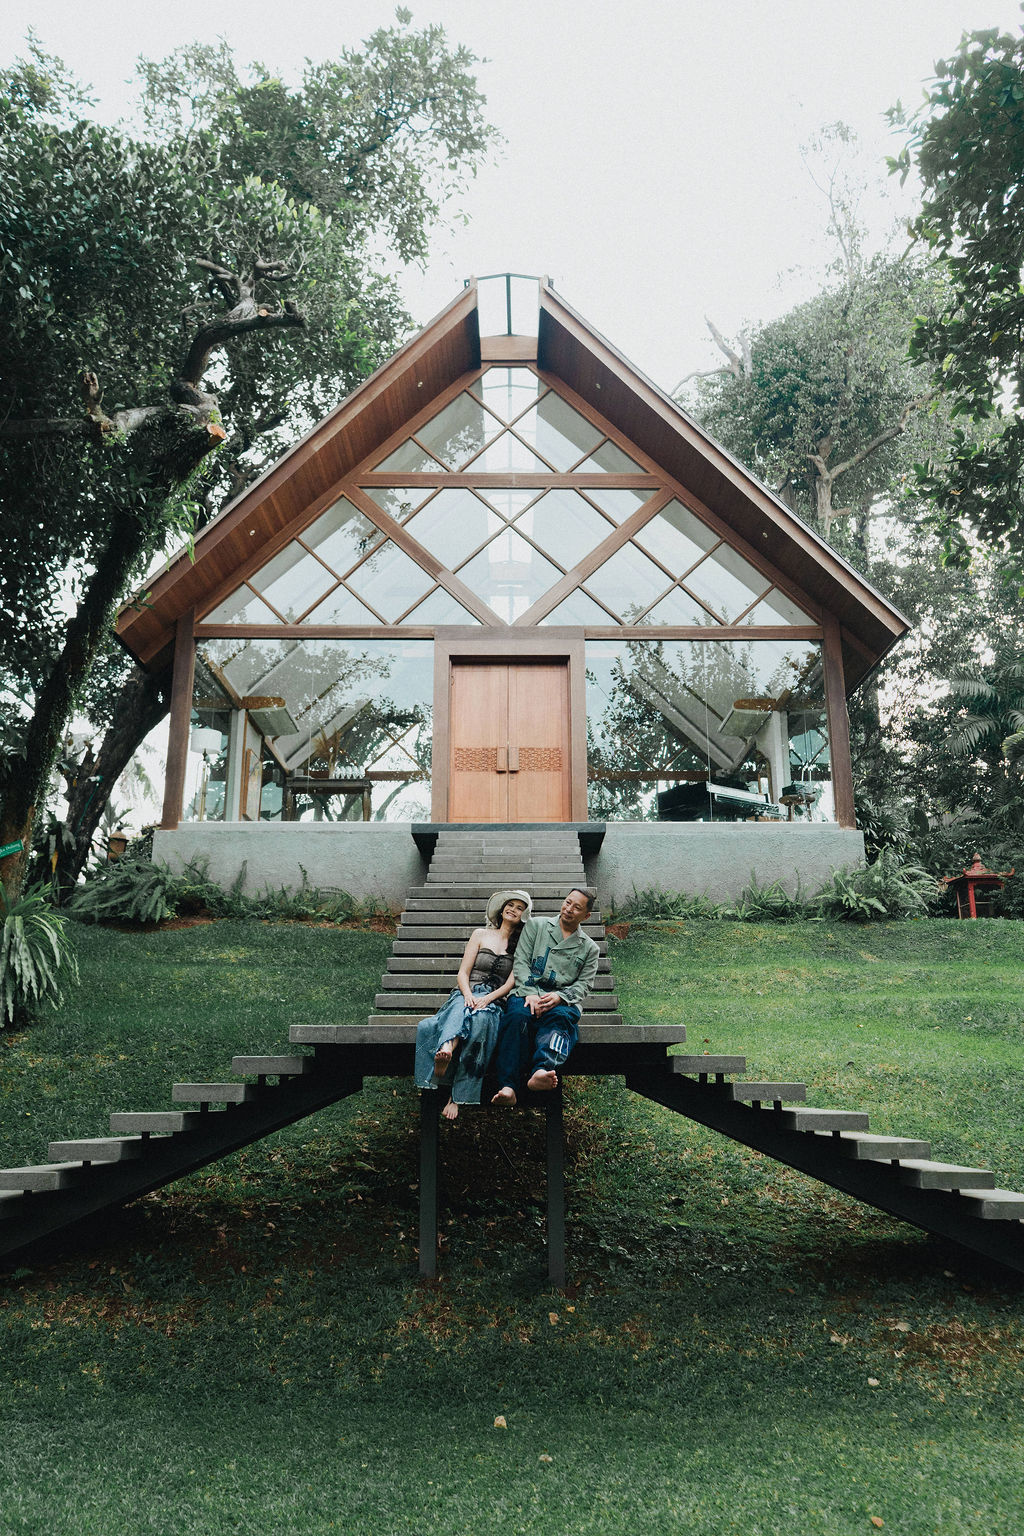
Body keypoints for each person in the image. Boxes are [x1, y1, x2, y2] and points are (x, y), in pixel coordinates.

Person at [413, 889, 531, 1120]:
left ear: (523, 916)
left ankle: (456, 1096)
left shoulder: (521, 946)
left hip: (494, 1000)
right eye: (510, 905)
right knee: (461, 1008)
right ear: (501, 910)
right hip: (466, 991)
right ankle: (447, 1048)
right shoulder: (480, 934)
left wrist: (488, 999)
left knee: (481, 1021)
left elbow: (511, 983)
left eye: (519, 908)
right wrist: (468, 995)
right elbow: (463, 973)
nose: (513, 910)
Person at [490, 887, 599, 1106]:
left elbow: (584, 984)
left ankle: (542, 1069)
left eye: (577, 907)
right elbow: (521, 961)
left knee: (562, 1021)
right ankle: (508, 1086)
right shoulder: (536, 926)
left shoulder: (589, 948)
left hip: (561, 1001)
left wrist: (560, 997)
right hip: (526, 992)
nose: (569, 909)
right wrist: (530, 993)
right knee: (516, 1018)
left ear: (586, 916)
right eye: (567, 902)